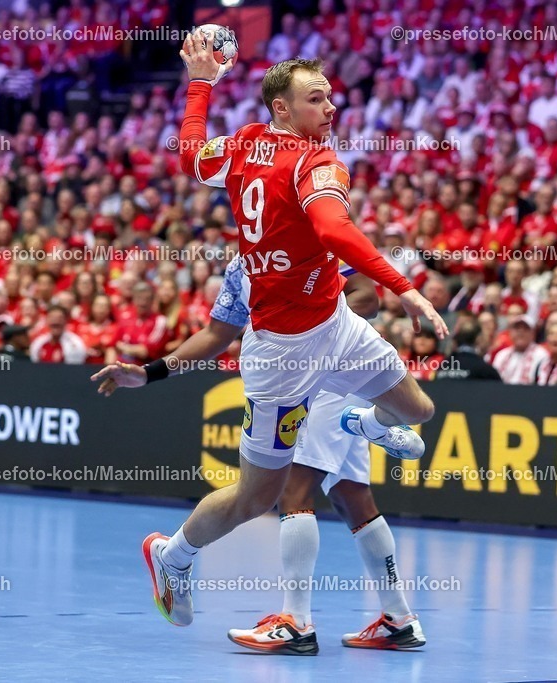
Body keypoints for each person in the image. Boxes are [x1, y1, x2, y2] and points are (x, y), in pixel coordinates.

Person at [129, 33, 446, 631]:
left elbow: (191, 156)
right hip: (281, 352)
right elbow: (334, 231)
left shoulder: (248, 143)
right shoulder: (314, 161)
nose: (330, 109)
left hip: (337, 324)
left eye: (331, 98)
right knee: (259, 499)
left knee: (419, 411)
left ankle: (361, 420)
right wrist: (403, 287)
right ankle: (172, 556)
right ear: (282, 108)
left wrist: (200, 84)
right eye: (316, 99)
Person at [93, 256, 425, 653]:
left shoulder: (316, 237)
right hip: (329, 373)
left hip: (323, 370)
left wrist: (307, 332)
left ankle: (297, 622)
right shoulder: (240, 267)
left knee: (302, 489)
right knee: (349, 494)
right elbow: (217, 334)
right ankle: (398, 618)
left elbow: (366, 299)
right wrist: (150, 372)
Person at [434, 317, 502, 381]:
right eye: (485, 336)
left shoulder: (443, 366)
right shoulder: (485, 370)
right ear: (479, 339)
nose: (487, 340)